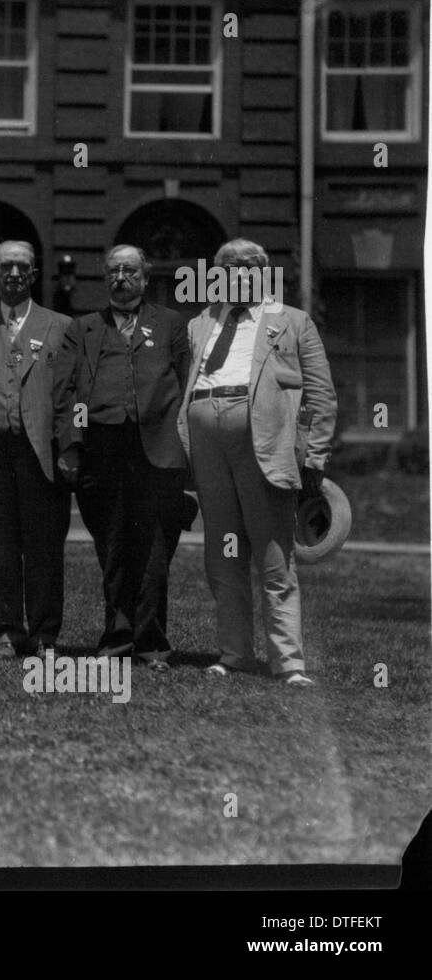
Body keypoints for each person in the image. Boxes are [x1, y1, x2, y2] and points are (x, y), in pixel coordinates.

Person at [176, 238, 337, 686]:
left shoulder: (292, 322)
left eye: (248, 266)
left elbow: (321, 394)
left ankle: (289, 663)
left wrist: (315, 453)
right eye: (228, 266)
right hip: (208, 444)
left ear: (264, 271)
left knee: (272, 555)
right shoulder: (201, 322)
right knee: (222, 553)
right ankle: (233, 654)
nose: (238, 273)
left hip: (264, 443)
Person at [54, 245, 189, 669]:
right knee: (112, 550)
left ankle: (151, 644)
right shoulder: (84, 329)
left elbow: (186, 388)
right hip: (102, 455)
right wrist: (73, 444)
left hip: (158, 456)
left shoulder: (170, 324)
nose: (121, 278)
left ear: (145, 278)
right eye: (113, 271)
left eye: (130, 270)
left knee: (153, 555)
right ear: (105, 278)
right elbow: (70, 394)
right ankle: (116, 639)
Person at [0, 240, 73, 659]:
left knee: (44, 548)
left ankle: (44, 635)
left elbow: (69, 397)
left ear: (33, 274)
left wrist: (69, 448)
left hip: (40, 454)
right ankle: (7, 631)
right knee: (0, 550)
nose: (13, 274)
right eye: (4, 266)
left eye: (21, 267)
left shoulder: (61, 326)